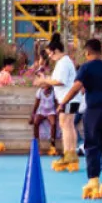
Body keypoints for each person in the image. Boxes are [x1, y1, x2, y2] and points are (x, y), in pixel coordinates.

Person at [57, 38, 102, 199]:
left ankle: (93, 181)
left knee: (92, 145)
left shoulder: (86, 67)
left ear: (87, 52)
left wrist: (63, 103)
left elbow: (76, 87)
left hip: (95, 110)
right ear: (101, 52)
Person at [36, 33, 78, 173]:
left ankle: (68, 154)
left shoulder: (63, 63)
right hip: (71, 98)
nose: (49, 56)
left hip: (68, 98)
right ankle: (71, 154)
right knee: (69, 125)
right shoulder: (64, 62)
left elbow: (60, 81)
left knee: (65, 124)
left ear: (55, 51)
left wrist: (44, 80)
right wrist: (45, 78)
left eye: (50, 53)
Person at [29, 82, 58, 155]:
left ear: (49, 85)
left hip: (51, 111)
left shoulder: (54, 91)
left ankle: (52, 146)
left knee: (53, 124)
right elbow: (36, 104)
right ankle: (37, 145)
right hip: (41, 111)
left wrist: (58, 113)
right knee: (35, 123)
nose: (43, 85)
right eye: (42, 84)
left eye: (45, 84)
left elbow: (56, 103)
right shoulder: (39, 91)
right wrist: (33, 115)